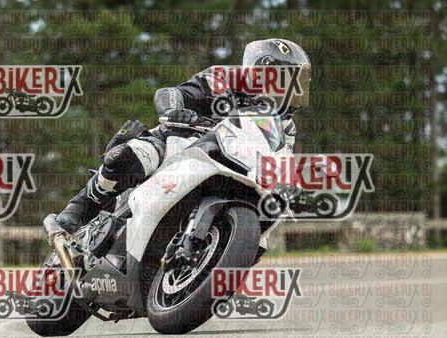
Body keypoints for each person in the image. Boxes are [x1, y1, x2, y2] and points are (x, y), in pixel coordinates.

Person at [55, 38, 311, 235]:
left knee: (263, 228)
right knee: (134, 154)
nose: (293, 89)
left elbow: (281, 159)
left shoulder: (285, 127)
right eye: (286, 80)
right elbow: (171, 93)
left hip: (238, 170)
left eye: (297, 82)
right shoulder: (223, 80)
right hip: (186, 140)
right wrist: (174, 111)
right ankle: (80, 207)